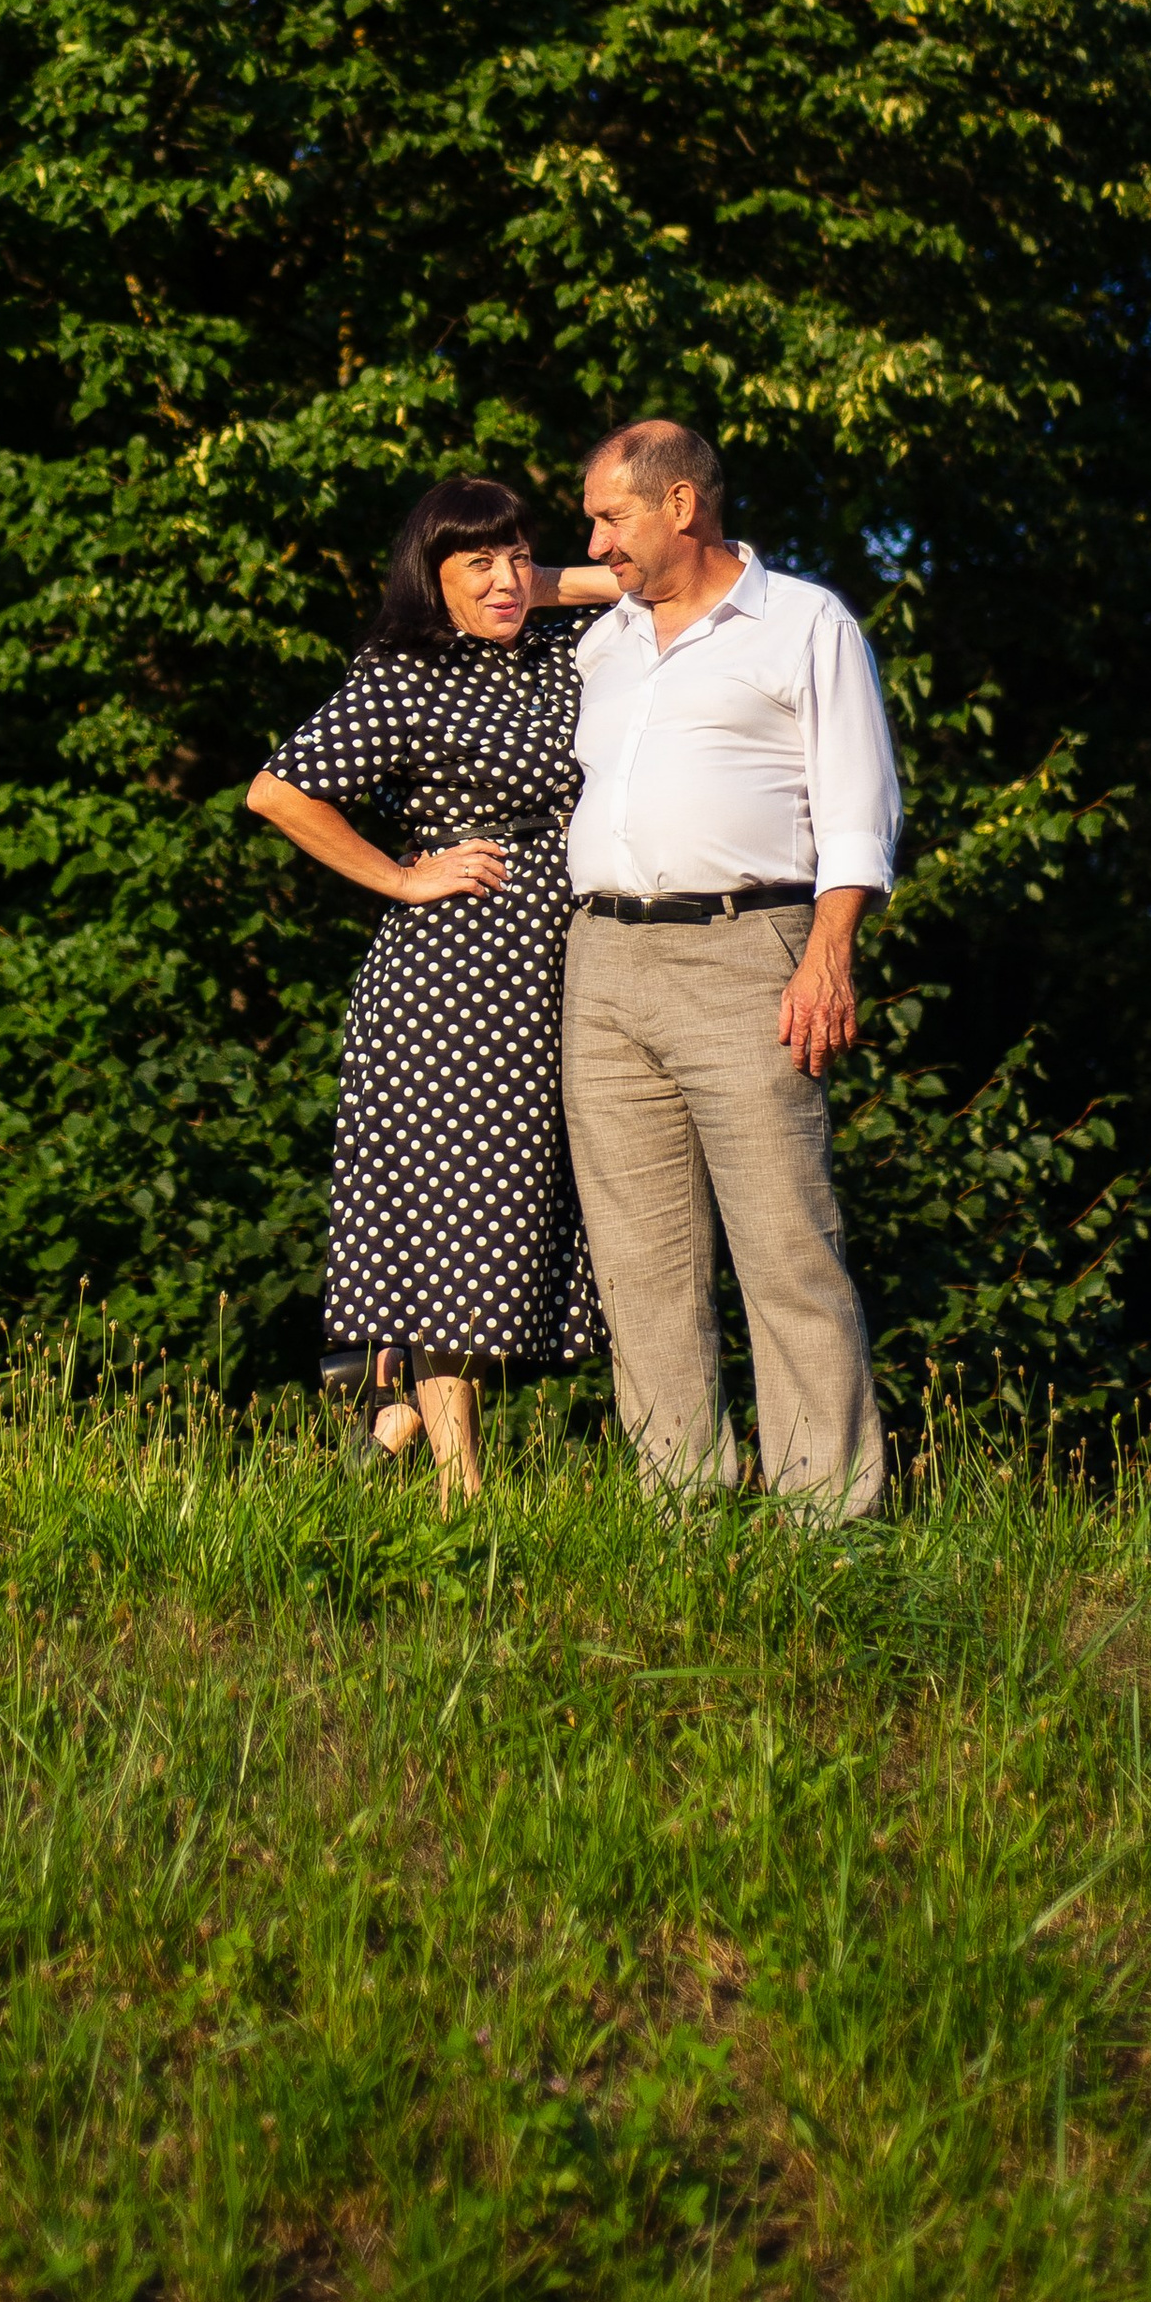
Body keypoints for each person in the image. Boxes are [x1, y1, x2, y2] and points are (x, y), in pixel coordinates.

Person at [535, 419, 900, 1520]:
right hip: (601, 962)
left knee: (784, 1242)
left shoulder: (802, 624)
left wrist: (827, 959)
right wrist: (590, 573)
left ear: (682, 505)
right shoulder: (607, 635)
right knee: (639, 1265)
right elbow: (499, 588)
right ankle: (679, 1511)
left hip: (749, 950)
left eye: (610, 515)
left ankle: (826, 1517)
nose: (591, 539)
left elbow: (857, 810)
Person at [245, 476, 617, 1505]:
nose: (503, 581)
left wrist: (528, 586)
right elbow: (276, 790)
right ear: (431, 577)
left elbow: (644, 572)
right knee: (460, 1220)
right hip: (450, 979)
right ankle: (463, 1493)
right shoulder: (401, 674)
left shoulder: (550, 653)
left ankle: (392, 1413)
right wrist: (405, 874)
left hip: (561, 968)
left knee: (522, 1218)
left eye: (516, 558)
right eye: (476, 566)